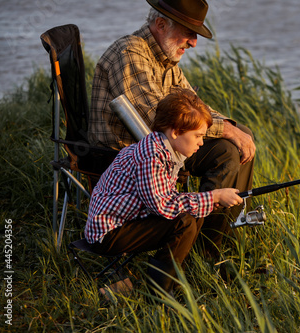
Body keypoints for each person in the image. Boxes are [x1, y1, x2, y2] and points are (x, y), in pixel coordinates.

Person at [88, 0, 256, 257]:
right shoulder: (129, 53)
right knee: (226, 150)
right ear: (161, 24)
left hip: (157, 144)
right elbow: (159, 120)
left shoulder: (165, 60)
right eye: (189, 33)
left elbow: (195, 108)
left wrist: (232, 128)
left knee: (241, 134)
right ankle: (205, 250)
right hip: (131, 155)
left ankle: (221, 235)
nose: (194, 43)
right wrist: (227, 132)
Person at [85, 88, 243, 294]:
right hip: (108, 234)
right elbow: (163, 206)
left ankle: (176, 276)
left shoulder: (165, 150)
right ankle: (161, 294)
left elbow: (166, 199)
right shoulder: (151, 156)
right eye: (197, 136)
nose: (201, 142)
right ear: (176, 132)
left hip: (130, 221)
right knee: (184, 221)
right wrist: (213, 195)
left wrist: (208, 201)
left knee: (193, 213)